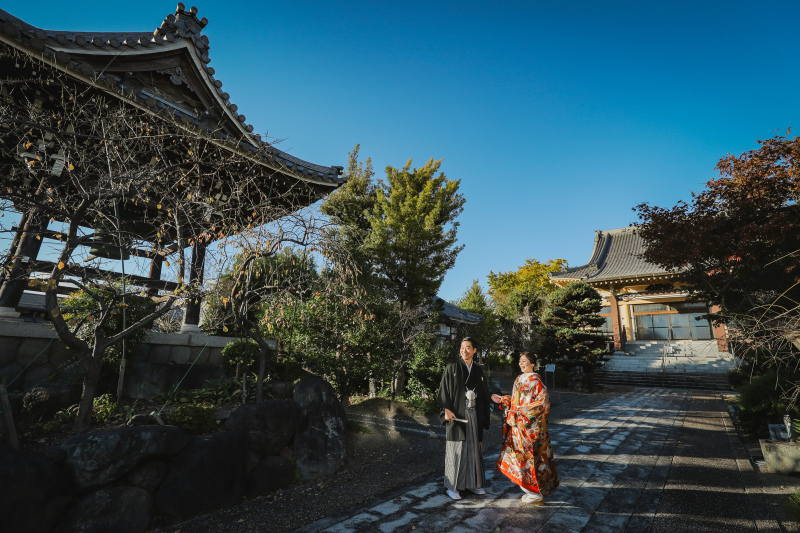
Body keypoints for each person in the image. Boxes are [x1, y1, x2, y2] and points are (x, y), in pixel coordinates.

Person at [491, 352, 559, 504]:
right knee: (518, 458)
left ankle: (536, 493)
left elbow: (543, 403)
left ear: (533, 364)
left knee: (530, 460)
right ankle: (529, 490)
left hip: (529, 428)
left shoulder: (536, 382)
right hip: (516, 426)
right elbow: (516, 400)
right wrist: (504, 399)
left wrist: (523, 411)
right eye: (520, 361)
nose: (521, 364)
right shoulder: (518, 379)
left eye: (524, 361)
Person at [436, 337, 491, 500]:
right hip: (456, 415)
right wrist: (446, 409)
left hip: (474, 414)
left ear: (474, 351)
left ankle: (472, 484)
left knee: (473, 449)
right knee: (456, 450)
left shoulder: (478, 371)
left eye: (468, 347)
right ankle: (452, 486)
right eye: (462, 347)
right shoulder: (452, 368)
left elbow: (484, 393)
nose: (464, 350)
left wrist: (495, 397)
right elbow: (444, 390)